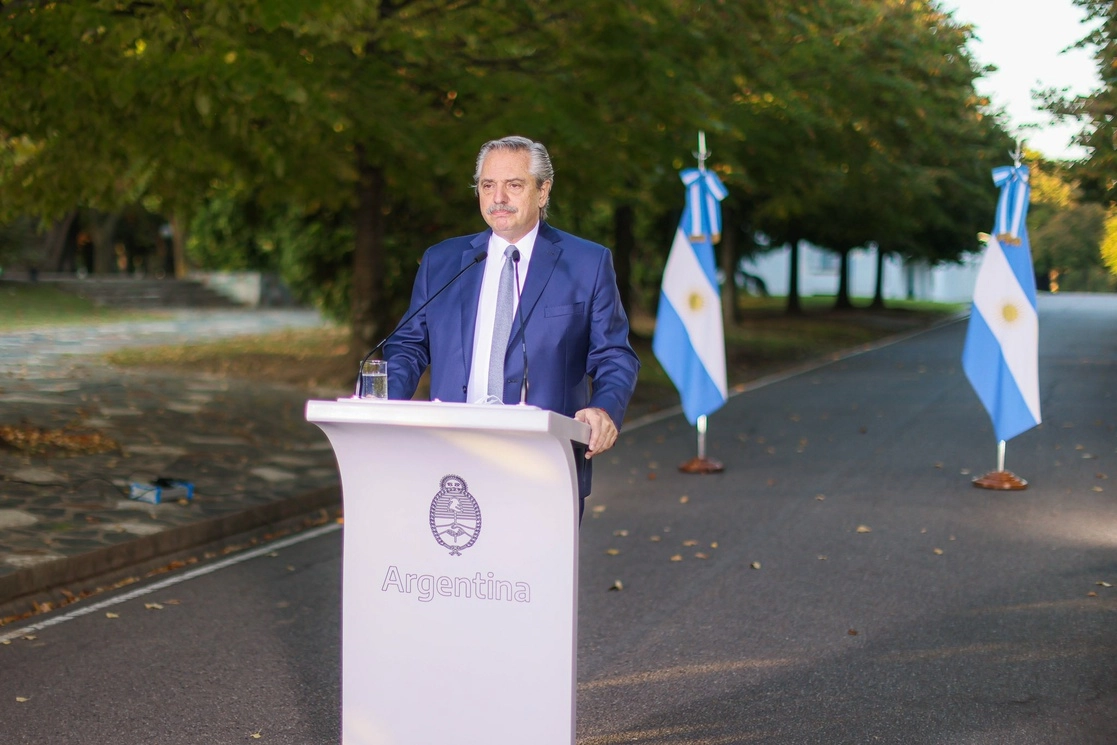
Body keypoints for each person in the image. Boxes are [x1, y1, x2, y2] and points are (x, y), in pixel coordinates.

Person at [385, 135, 640, 502]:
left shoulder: (587, 264)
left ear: (543, 191)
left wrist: (603, 408)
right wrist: (383, 405)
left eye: (514, 185)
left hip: (543, 463)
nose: (498, 198)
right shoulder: (442, 262)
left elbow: (615, 355)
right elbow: (407, 345)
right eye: (488, 185)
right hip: (449, 461)